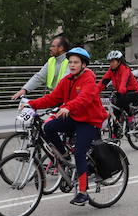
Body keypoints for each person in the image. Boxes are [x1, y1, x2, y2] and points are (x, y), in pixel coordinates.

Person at [25, 47, 108, 206]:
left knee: (80, 152)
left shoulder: (88, 79)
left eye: (76, 62)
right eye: (70, 62)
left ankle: (82, 192)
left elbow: (84, 98)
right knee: (48, 127)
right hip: (74, 117)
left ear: (84, 65)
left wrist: (68, 107)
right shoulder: (67, 80)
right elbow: (52, 98)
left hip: (89, 121)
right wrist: (30, 104)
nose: (72, 65)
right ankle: (64, 155)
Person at [10, 35, 70, 100]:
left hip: (66, 99)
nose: (50, 48)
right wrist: (24, 90)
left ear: (61, 48)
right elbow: (39, 77)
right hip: (54, 99)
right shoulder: (51, 61)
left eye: (53, 46)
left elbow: (65, 81)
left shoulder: (71, 61)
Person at [98, 51, 138, 118]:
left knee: (119, 103)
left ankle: (130, 117)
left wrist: (120, 92)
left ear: (119, 62)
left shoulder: (125, 69)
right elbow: (103, 82)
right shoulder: (111, 70)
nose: (111, 64)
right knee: (116, 107)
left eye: (113, 62)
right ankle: (118, 124)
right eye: (110, 62)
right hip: (122, 91)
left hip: (133, 91)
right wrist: (93, 92)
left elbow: (123, 82)